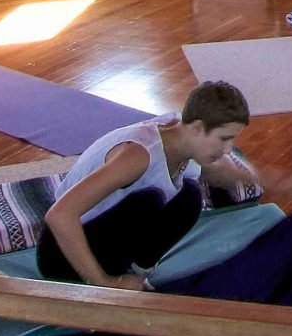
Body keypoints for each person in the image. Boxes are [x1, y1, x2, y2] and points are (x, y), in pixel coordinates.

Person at [36, 80, 252, 291]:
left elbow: (224, 171)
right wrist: (103, 281)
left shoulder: (180, 130)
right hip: (60, 256)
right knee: (149, 200)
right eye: (224, 139)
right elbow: (59, 215)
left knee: (190, 197)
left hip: (105, 241)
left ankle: (136, 274)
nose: (228, 149)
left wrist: (259, 179)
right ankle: (110, 281)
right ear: (197, 128)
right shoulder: (138, 155)